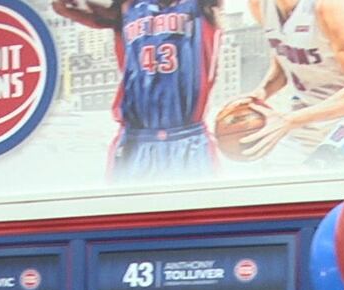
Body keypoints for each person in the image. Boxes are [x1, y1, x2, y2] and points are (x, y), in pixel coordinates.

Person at [53, 0, 222, 180]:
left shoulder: (202, 6)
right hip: (136, 141)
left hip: (189, 140)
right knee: (125, 207)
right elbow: (64, 8)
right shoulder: (126, 9)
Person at [232, 0, 344, 165]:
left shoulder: (330, 6)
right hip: (310, 111)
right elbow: (285, 60)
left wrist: (290, 120)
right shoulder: (259, 5)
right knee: (271, 179)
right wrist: (262, 92)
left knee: (325, 171)